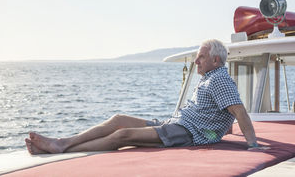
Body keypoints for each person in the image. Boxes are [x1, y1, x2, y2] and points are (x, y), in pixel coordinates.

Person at [25, 39, 262, 154]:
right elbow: (221, 112)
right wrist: (222, 127)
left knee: (123, 135)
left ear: (215, 60)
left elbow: (239, 111)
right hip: (179, 124)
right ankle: (63, 142)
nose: (196, 61)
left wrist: (253, 145)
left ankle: (60, 148)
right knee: (119, 119)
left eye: (200, 57)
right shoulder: (211, 77)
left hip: (189, 132)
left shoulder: (219, 78)